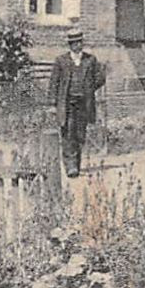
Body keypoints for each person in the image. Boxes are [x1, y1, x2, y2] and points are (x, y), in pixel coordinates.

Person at [49, 26, 105, 179]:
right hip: (66, 103)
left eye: (79, 42)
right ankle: (70, 166)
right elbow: (54, 82)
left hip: (84, 103)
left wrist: (89, 88)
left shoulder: (90, 60)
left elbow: (100, 77)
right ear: (70, 45)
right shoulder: (61, 61)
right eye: (74, 43)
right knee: (68, 132)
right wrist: (53, 104)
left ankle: (76, 164)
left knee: (80, 134)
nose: (77, 45)